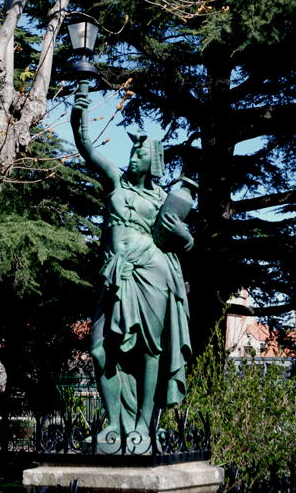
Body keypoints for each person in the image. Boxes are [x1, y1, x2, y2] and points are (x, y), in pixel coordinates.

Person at [71, 92, 193, 451]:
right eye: (131, 153)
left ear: (153, 160)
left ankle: (143, 424)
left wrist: (185, 237)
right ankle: (113, 423)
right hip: (115, 276)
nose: (131, 158)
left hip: (152, 273)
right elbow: (89, 151)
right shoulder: (115, 184)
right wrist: (81, 119)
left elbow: (181, 243)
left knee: (148, 352)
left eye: (139, 153)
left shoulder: (161, 201)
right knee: (99, 351)